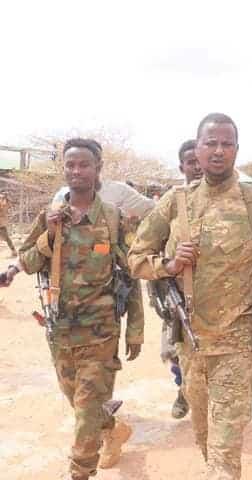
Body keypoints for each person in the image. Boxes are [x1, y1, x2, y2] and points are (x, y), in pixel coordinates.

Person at [128, 113, 252, 479]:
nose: (219, 151)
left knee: (225, 447)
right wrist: (169, 264)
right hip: (190, 341)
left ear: (237, 150)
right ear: (197, 149)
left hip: (235, 343)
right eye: (211, 143)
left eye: (227, 144)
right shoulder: (176, 202)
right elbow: (136, 258)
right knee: (205, 436)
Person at [0, 138, 144, 480]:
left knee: (86, 410)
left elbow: (131, 275)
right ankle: (113, 429)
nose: (76, 171)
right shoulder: (50, 216)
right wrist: (49, 235)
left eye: (84, 164)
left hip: (100, 333)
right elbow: (29, 260)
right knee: (79, 403)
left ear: (98, 170)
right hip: (60, 331)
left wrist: (136, 329)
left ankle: (79, 472)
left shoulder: (113, 219)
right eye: (70, 165)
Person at [161, 139, 203, 419]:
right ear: (182, 167)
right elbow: (148, 246)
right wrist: (166, 267)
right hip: (174, 291)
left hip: (208, 293)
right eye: (190, 163)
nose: (197, 167)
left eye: (199, 161)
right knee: (175, 348)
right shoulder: (171, 202)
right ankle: (182, 390)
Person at [0, 191, 18, 257]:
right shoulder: (4, 203)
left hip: (1, 224)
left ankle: (13, 251)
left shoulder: (4, 204)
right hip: (2, 223)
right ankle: (13, 250)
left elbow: (4, 207)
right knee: (7, 238)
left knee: (7, 238)